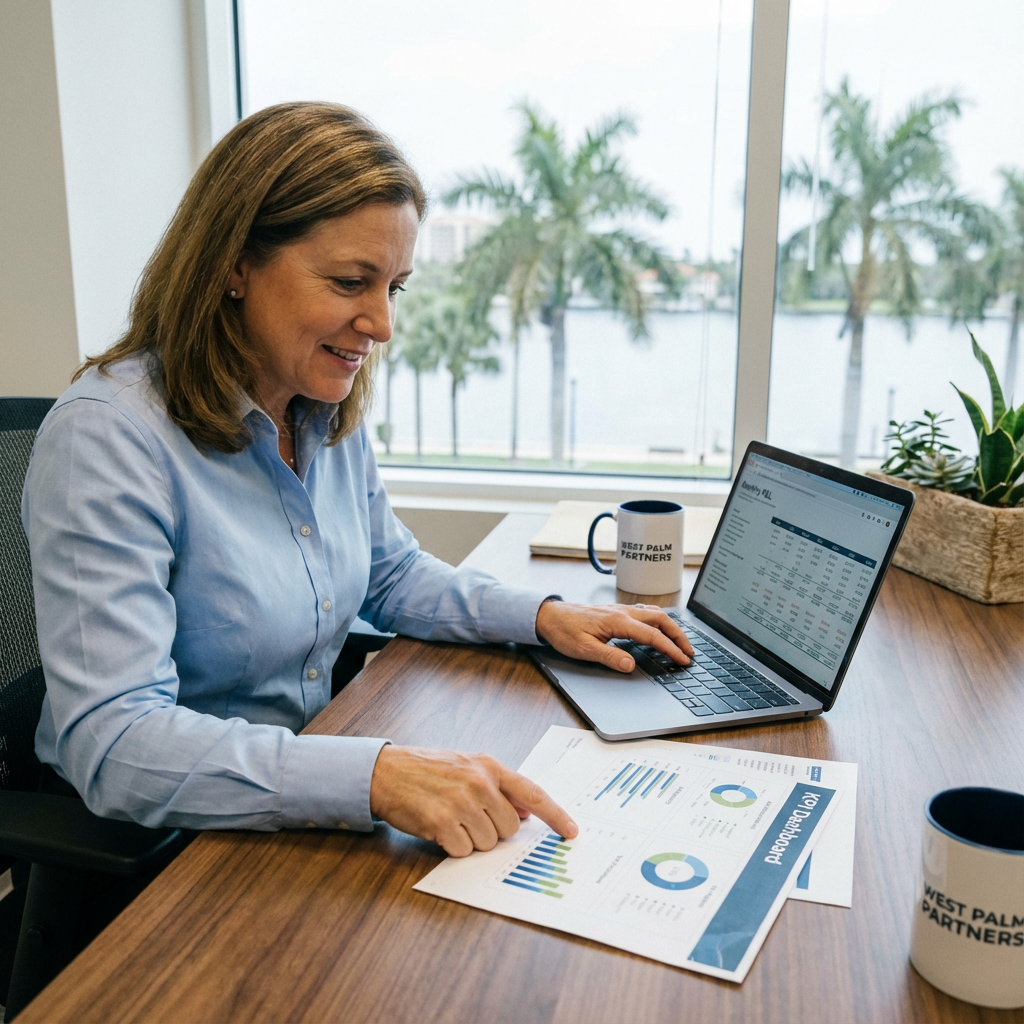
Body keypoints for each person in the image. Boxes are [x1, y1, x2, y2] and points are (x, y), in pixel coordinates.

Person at [22, 102, 693, 858]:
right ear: (234, 264)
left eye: (394, 288)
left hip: (300, 799)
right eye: (349, 282)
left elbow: (389, 570)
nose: (382, 323)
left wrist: (545, 617)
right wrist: (374, 777)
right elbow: (116, 745)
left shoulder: (315, 404)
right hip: (168, 850)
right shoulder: (108, 438)